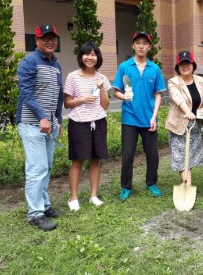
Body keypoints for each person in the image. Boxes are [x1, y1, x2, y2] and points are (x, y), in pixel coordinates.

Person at [16, 24, 63, 231]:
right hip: (31, 124)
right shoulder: (29, 62)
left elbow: (58, 95)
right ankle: (35, 214)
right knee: (37, 168)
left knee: (47, 166)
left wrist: (58, 120)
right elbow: (26, 93)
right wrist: (42, 117)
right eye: (45, 38)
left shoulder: (56, 65)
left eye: (53, 38)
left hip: (49, 125)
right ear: (36, 41)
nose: (50, 41)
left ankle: (44, 206)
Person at [113, 31, 166, 200]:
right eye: (138, 43)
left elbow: (159, 94)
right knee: (128, 154)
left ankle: (151, 183)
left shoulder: (155, 68)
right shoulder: (125, 67)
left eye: (144, 43)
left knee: (152, 154)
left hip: (149, 118)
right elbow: (116, 91)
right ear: (133, 45)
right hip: (129, 117)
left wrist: (154, 116)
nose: (141, 46)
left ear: (149, 47)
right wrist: (124, 96)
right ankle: (126, 186)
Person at [63, 42, 111, 211]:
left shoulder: (102, 78)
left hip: (98, 121)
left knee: (95, 160)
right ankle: (73, 197)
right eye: (86, 54)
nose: (90, 57)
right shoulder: (72, 77)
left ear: (97, 57)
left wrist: (102, 88)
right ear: (81, 57)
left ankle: (93, 195)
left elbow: (105, 105)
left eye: (93, 54)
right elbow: (67, 103)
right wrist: (82, 99)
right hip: (79, 123)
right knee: (77, 160)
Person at [166, 51, 203, 185]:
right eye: (182, 64)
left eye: (187, 63)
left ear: (193, 65)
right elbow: (178, 98)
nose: (185, 66)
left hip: (194, 125)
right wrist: (188, 111)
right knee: (181, 156)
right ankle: (186, 184)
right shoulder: (173, 82)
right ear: (178, 66)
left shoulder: (199, 80)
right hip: (179, 124)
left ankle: (185, 181)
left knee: (191, 155)